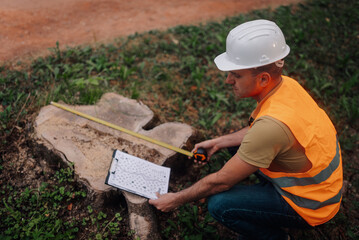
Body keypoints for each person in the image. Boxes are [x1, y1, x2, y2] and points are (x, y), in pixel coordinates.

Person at [149, 19, 343, 239]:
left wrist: (175, 199)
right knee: (237, 146)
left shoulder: (271, 127)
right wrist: (220, 141)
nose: (228, 81)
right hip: (316, 184)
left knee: (220, 204)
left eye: (236, 75)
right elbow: (263, 131)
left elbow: (220, 181)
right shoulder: (286, 86)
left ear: (263, 78)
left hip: (310, 204)